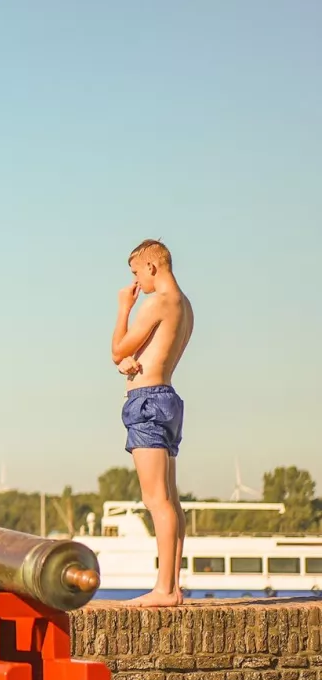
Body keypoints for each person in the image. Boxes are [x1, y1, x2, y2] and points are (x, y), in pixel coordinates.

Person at [112, 238, 194, 607]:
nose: (136, 281)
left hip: (147, 402)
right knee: (171, 501)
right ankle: (172, 586)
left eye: (135, 273)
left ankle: (164, 590)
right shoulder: (184, 306)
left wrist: (123, 308)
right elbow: (151, 353)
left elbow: (118, 347)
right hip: (167, 398)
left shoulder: (155, 302)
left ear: (151, 267)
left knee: (155, 499)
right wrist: (130, 363)